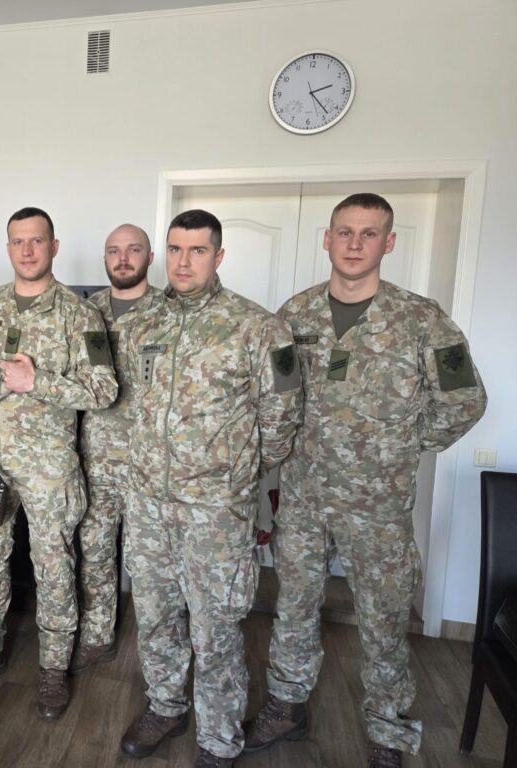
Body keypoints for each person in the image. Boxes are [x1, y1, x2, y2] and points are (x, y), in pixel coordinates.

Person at [244, 193, 488, 768]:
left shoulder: (422, 320)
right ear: (327, 240)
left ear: (389, 242)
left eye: (369, 233)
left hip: (377, 507)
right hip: (303, 497)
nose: (355, 244)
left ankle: (387, 729)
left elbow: (465, 401)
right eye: (345, 232)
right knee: (294, 608)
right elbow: (276, 395)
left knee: (383, 621)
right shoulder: (294, 315)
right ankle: (287, 706)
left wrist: (400, 446)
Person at [120, 210, 303, 767]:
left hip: (216, 513)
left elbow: (283, 417)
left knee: (216, 629)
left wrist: (235, 475)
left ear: (218, 256)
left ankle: (219, 738)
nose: (184, 261)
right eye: (175, 249)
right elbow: (134, 403)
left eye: (197, 250)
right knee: (155, 616)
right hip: (148, 503)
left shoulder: (259, 327)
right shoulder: (142, 323)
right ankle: (166, 705)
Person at [0, 207, 118, 720]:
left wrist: (37, 381)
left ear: (54, 246)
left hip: (49, 465)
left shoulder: (81, 315)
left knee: (54, 565)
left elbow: (105, 390)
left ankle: (53, 667)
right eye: (18, 241)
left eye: (37, 241)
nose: (27, 250)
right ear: (8, 249)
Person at [73, 224, 161, 674]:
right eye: (114, 251)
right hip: (98, 456)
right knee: (95, 551)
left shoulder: (170, 311)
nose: (123, 258)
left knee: (150, 563)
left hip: (152, 462)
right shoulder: (87, 312)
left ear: (150, 256)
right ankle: (97, 635)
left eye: (133, 250)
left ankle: (158, 649)